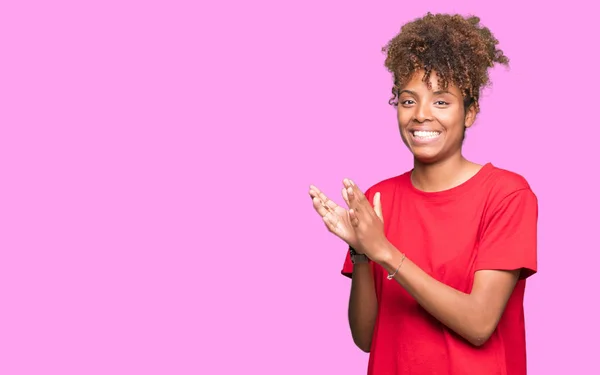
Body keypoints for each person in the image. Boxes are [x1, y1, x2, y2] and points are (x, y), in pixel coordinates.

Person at [308, 12, 538, 375]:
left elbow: (479, 324)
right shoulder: (379, 199)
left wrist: (383, 251)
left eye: (442, 101)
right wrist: (362, 253)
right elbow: (367, 338)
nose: (421, 115)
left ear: (470, 112)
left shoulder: (506, 194)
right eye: (408, 100)